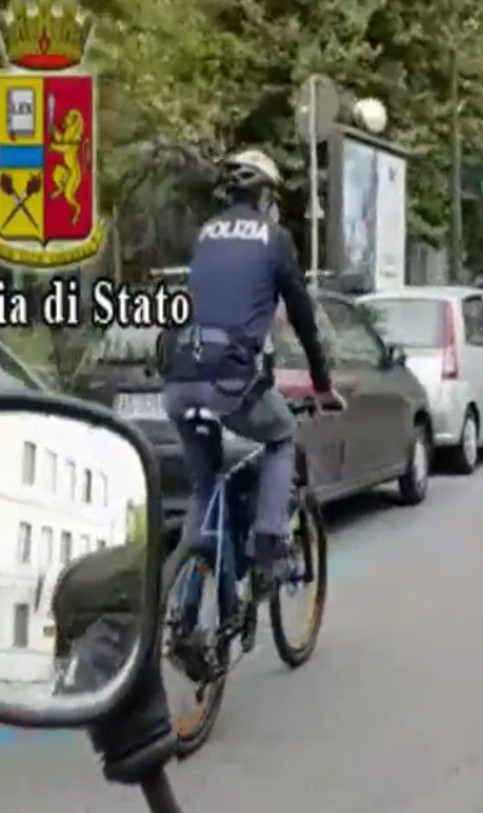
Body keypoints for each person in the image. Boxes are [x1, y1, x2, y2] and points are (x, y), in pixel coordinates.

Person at [160, 148, 343, 647]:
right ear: (265, 197)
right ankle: (268, 544)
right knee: (282, 435)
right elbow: (302, 316)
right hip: (231, 379)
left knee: (206, 489)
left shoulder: (204, 235)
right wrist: (322, 385)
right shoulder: (274, 239)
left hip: (179, 379)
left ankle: (192, 610)